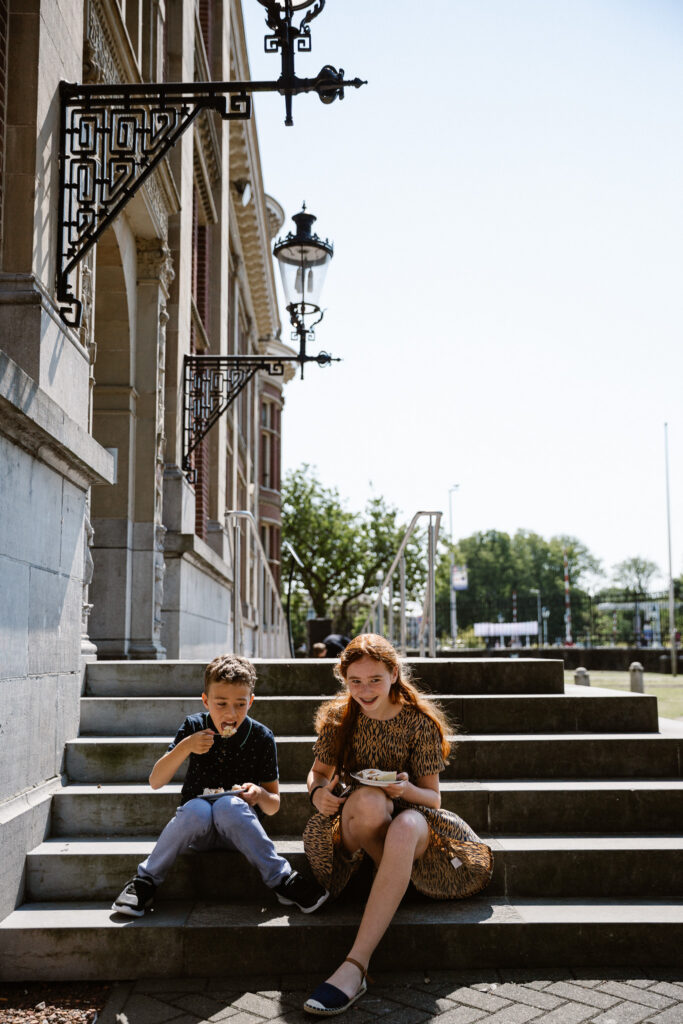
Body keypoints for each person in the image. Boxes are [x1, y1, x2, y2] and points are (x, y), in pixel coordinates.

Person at [302, 634, 493, 1016]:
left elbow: (433, 799)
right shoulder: (340, 718)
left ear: (393, 674)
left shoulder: (418, 722)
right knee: (371, 800)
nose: (364, 689)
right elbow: (317, 773)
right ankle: (392, 880)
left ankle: (355, 966)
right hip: (358, 823)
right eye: (355, 681)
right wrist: (317, 793)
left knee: (404, 823)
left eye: (374, 679)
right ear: (344, 680)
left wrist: (403, 787)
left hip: (414, 823)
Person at [112, 653, 328, 917]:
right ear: (206, 701)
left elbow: (273, 806)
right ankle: (144, 881)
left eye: (240, 704)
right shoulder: (194, 726)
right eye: (221, 703)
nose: (230, 713)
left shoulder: (261, 736)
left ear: (251, 701)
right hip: (198, 831)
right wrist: (186, 746)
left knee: (228, 805)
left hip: (240, 829)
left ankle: (283, 879)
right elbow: (156, 781)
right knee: (197, 809)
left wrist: (259, 794)